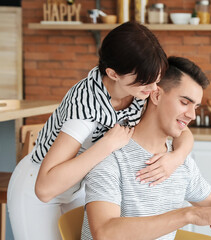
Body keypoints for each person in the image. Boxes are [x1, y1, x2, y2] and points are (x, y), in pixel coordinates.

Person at [7, 22, 194, 240]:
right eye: (145, 81)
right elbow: (45, 187)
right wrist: (107, 145)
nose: (154, 89)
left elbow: (180, 126)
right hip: (37, 183)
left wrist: (175, 158)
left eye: (156, 79)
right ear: (113, 74)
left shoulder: (139, 92)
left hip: (80, 185)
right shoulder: (86, 106)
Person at [81, 56, 211, 240]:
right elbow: (105, 232)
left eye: (195, 107)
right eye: (184, 103)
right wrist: (188, 215)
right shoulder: (111, 155)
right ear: (156, 95)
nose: (192, 115)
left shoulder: (177, 159)